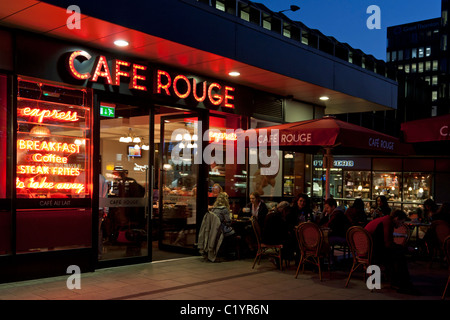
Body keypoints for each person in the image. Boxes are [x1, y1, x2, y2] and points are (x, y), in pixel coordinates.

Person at [364, 209, 419, 295]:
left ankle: (397, 281)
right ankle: (403, 284)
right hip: (371, 251)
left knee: (396, 254)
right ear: (397, 218)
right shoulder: (388, 222)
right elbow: (388, 243)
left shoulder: (384, 219)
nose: (401, 225)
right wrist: (404, 248)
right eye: (401, 222)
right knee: (399, 256)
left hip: (366, 248)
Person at [210, 192, 238, 259]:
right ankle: (230, 253)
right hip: (221, 230)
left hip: (214, 230)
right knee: (233, 233)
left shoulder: (214, 209)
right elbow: (228, 222)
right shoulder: (224, 209)